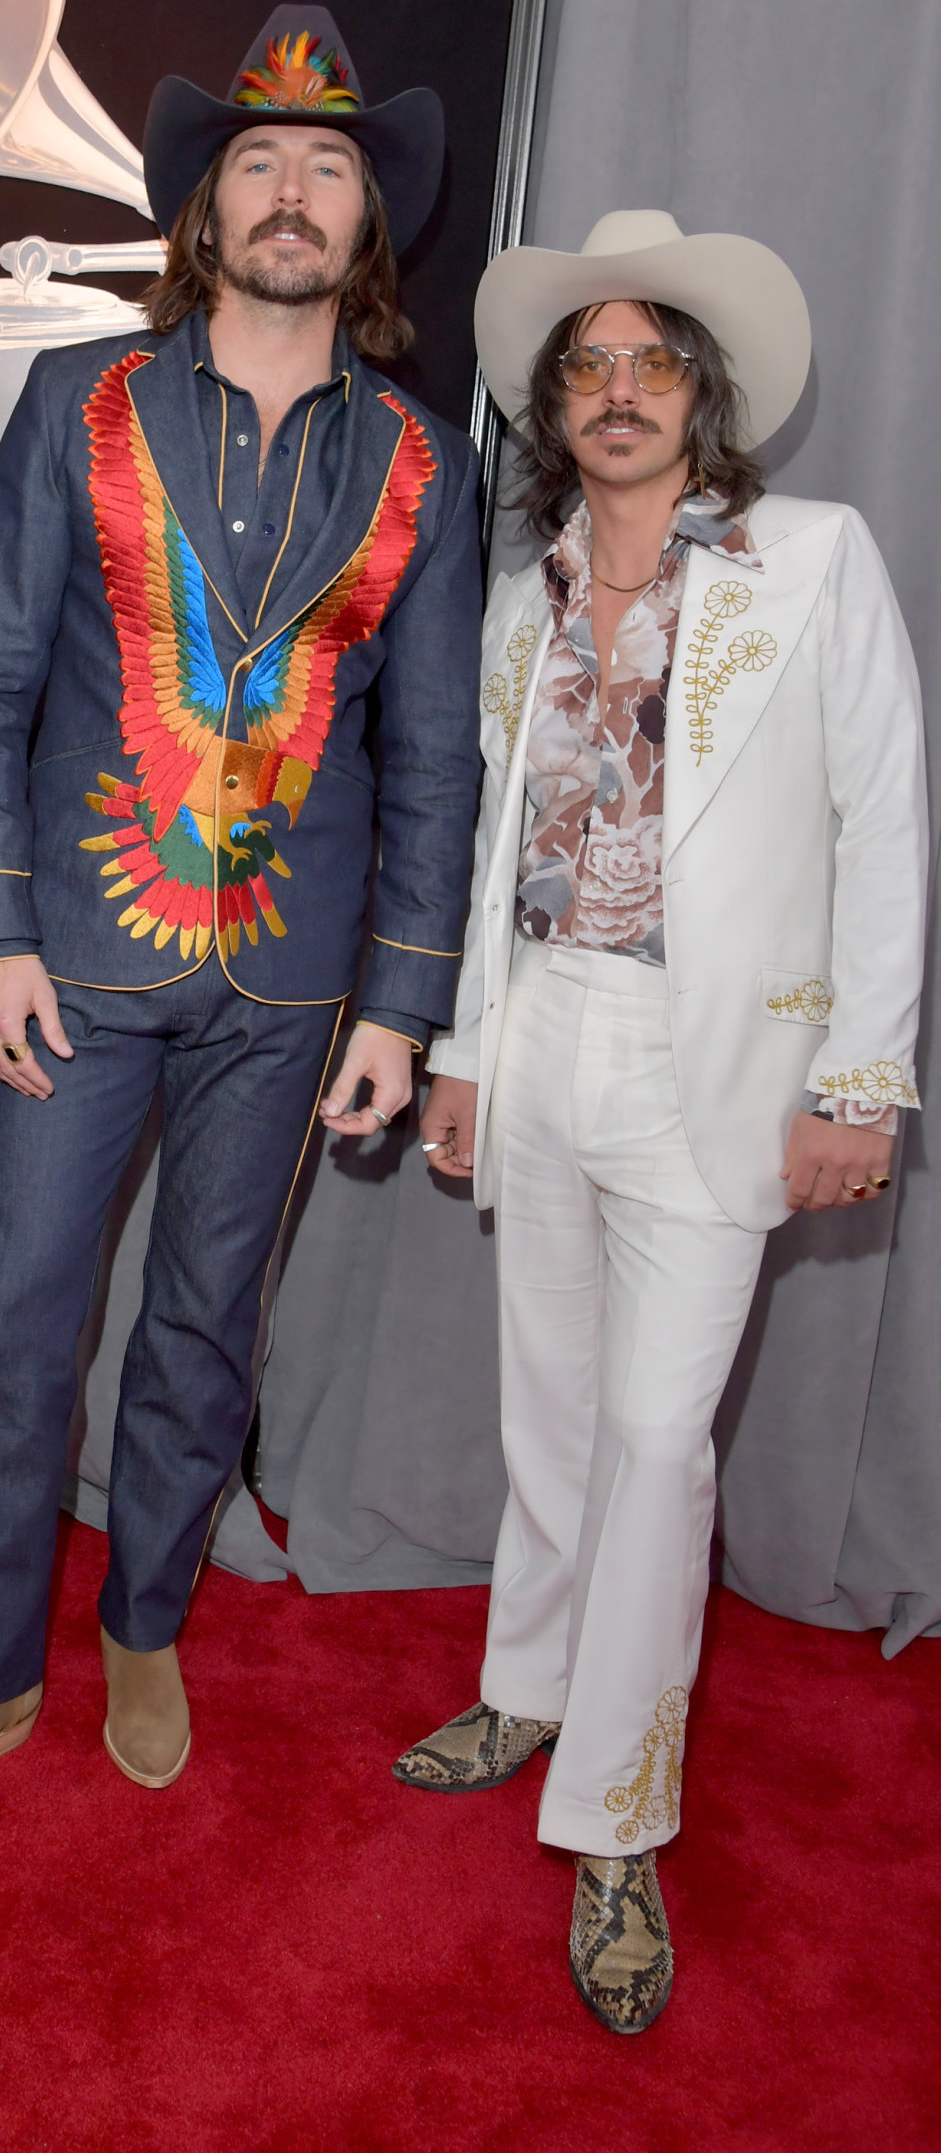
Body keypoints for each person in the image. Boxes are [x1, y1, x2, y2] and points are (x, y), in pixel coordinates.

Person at [0, 8, 483, 1831]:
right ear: (207, 213)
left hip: (293, 992)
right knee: (23, 1324)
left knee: (209, 1325)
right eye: (256, 162)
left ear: (369, 224)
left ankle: (144, 1620)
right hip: (75, 962)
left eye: (329, 166)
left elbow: (430, 756)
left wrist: (397, 1009)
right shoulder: (77, 404)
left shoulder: (427, 465)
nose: (290, 192)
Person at [401, 211, 927, 2033]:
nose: (616, 391)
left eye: (651, 362)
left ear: (703, 397)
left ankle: (617, 1813)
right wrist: (465, 1046)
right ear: (556, 404)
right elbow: (489, 858)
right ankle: (533, 1683)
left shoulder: (814, 561)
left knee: (653, 1432)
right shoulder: (517, 593)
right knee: (550, 1404)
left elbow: (884, 824)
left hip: (722, 1063)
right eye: (586, 365)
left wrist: (861, 1078)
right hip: (542, 1034)